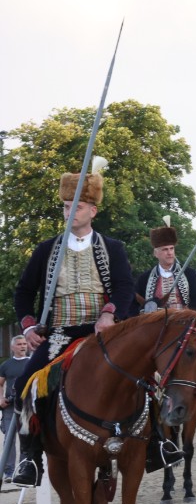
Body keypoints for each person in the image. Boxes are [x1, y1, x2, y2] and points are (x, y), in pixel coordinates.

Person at [12, 167, 135, 487]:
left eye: (76, 206)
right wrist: (28, 328)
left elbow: (123, 287)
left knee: (148, 375)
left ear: (92, 211)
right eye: (66, 206)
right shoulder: (45, 249)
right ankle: (30, 455)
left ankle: (155, 445)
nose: (69, 212)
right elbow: (23, 293)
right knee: (24, 385)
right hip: (58, 335)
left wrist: (109, 314)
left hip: (101, 333)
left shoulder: (113, 248)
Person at [133, 216, 196, 314]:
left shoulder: (189, 274)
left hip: (183, 323)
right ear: (156, 253)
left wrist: (189, 314)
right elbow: (134, 304)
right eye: (165, 249)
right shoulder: (144, 278)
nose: (170, 253)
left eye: (171, 248)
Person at [0, 336, 29, 482]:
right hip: (10, 407)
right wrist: (0, 399)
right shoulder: (6, 365)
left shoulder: (32, 363)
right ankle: (8, 472)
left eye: (24, 343)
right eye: (19, 344)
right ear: (13, 347)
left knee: (25, 437)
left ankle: (23, 469)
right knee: (9, 439)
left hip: (27, 406)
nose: (22, 346)